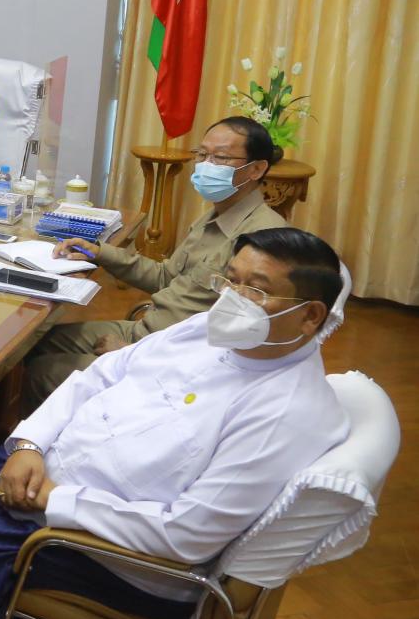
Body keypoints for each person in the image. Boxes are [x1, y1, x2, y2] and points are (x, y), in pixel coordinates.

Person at [0, 228, 351, 619]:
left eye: (255, 290)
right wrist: (29, 445)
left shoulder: (284, 412)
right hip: (56, 471)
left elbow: (187, 534)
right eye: (230, 280)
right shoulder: (208, 329)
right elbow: (101, 374)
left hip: (119, 553)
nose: (232, 299)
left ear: (310, 316)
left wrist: (54, 500)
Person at [23, 116, 289, 407]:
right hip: (147, 334)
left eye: (221, 158)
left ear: (256, 169)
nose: (206, 165)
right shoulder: (216, 214)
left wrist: (134, 355)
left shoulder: (263, 240)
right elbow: (166, 277)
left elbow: (238, 343)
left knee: (40, 372)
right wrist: (98, 252)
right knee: (34, 343)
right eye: (202, 155)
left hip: (168, 363)